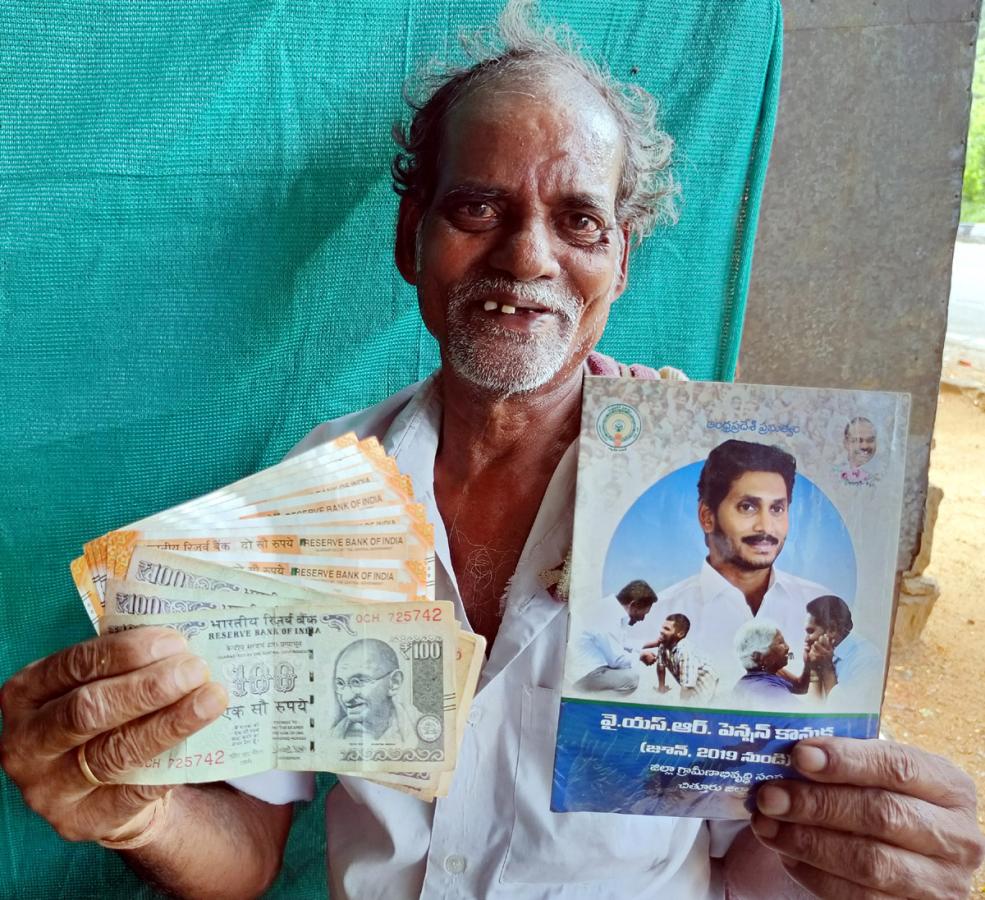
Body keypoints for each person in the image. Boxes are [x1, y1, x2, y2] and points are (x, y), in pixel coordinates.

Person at [1, 7, 982, 899]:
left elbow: (765, 863)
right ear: (411, 238)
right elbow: (249, 843)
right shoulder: (319, 487)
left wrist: (869, 860)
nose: (527, 256)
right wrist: (140, 813)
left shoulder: (722, 491)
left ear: (620, 263)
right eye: (478, 207)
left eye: (578, 220)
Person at [654, 439, 833, 688]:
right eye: (747, 507)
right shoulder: (659, 616)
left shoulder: (823, 608)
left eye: (777, 509)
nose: (766, 527)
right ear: (707, 517)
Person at [570, 579, 656, 694]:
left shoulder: (611, 609)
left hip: (585, 669)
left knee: (627, 669)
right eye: (643, 613)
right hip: (584, 674)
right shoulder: (608, 616)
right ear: (634, 604)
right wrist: (640, 657)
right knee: (631, 679)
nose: (642, 619)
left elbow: (621, 642)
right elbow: (616, 660)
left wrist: (655, 643)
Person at [331, 638, 419, 744]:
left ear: (394, 683)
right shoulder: (332, 737)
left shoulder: (421, 728)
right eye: (340, 683)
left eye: (359, 682)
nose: (346, 698)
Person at [803, 594, 885, 703]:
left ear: (832, 629)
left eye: (810, 632)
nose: (806, 639)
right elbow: (812, 709)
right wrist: (813, 670)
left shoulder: (867, 660)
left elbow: (842, 714)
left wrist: (827, 668)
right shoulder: (822, 654)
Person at [640, 613, 719, 703]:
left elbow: (687, 686)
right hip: (691, 676)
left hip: (705, 677)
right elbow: (661, 666)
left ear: (680, 634)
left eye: (666, 629)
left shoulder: (685, 650)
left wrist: (680, 708)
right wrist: (661, 687)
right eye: (662, 627)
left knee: (701, 703)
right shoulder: (663, 644)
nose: (661, 631)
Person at [731, 619, 802, 711]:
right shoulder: (769, 691)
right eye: (780, 642)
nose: (787, 647)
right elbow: (806, 716)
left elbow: (801, 687)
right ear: (758, 657)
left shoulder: (754, 680)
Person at [840, 416, 878, 483]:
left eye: (870, 440)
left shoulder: (885, 475)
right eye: (858, 440)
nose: (865, 446)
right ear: (846, 443)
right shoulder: (832, 476)